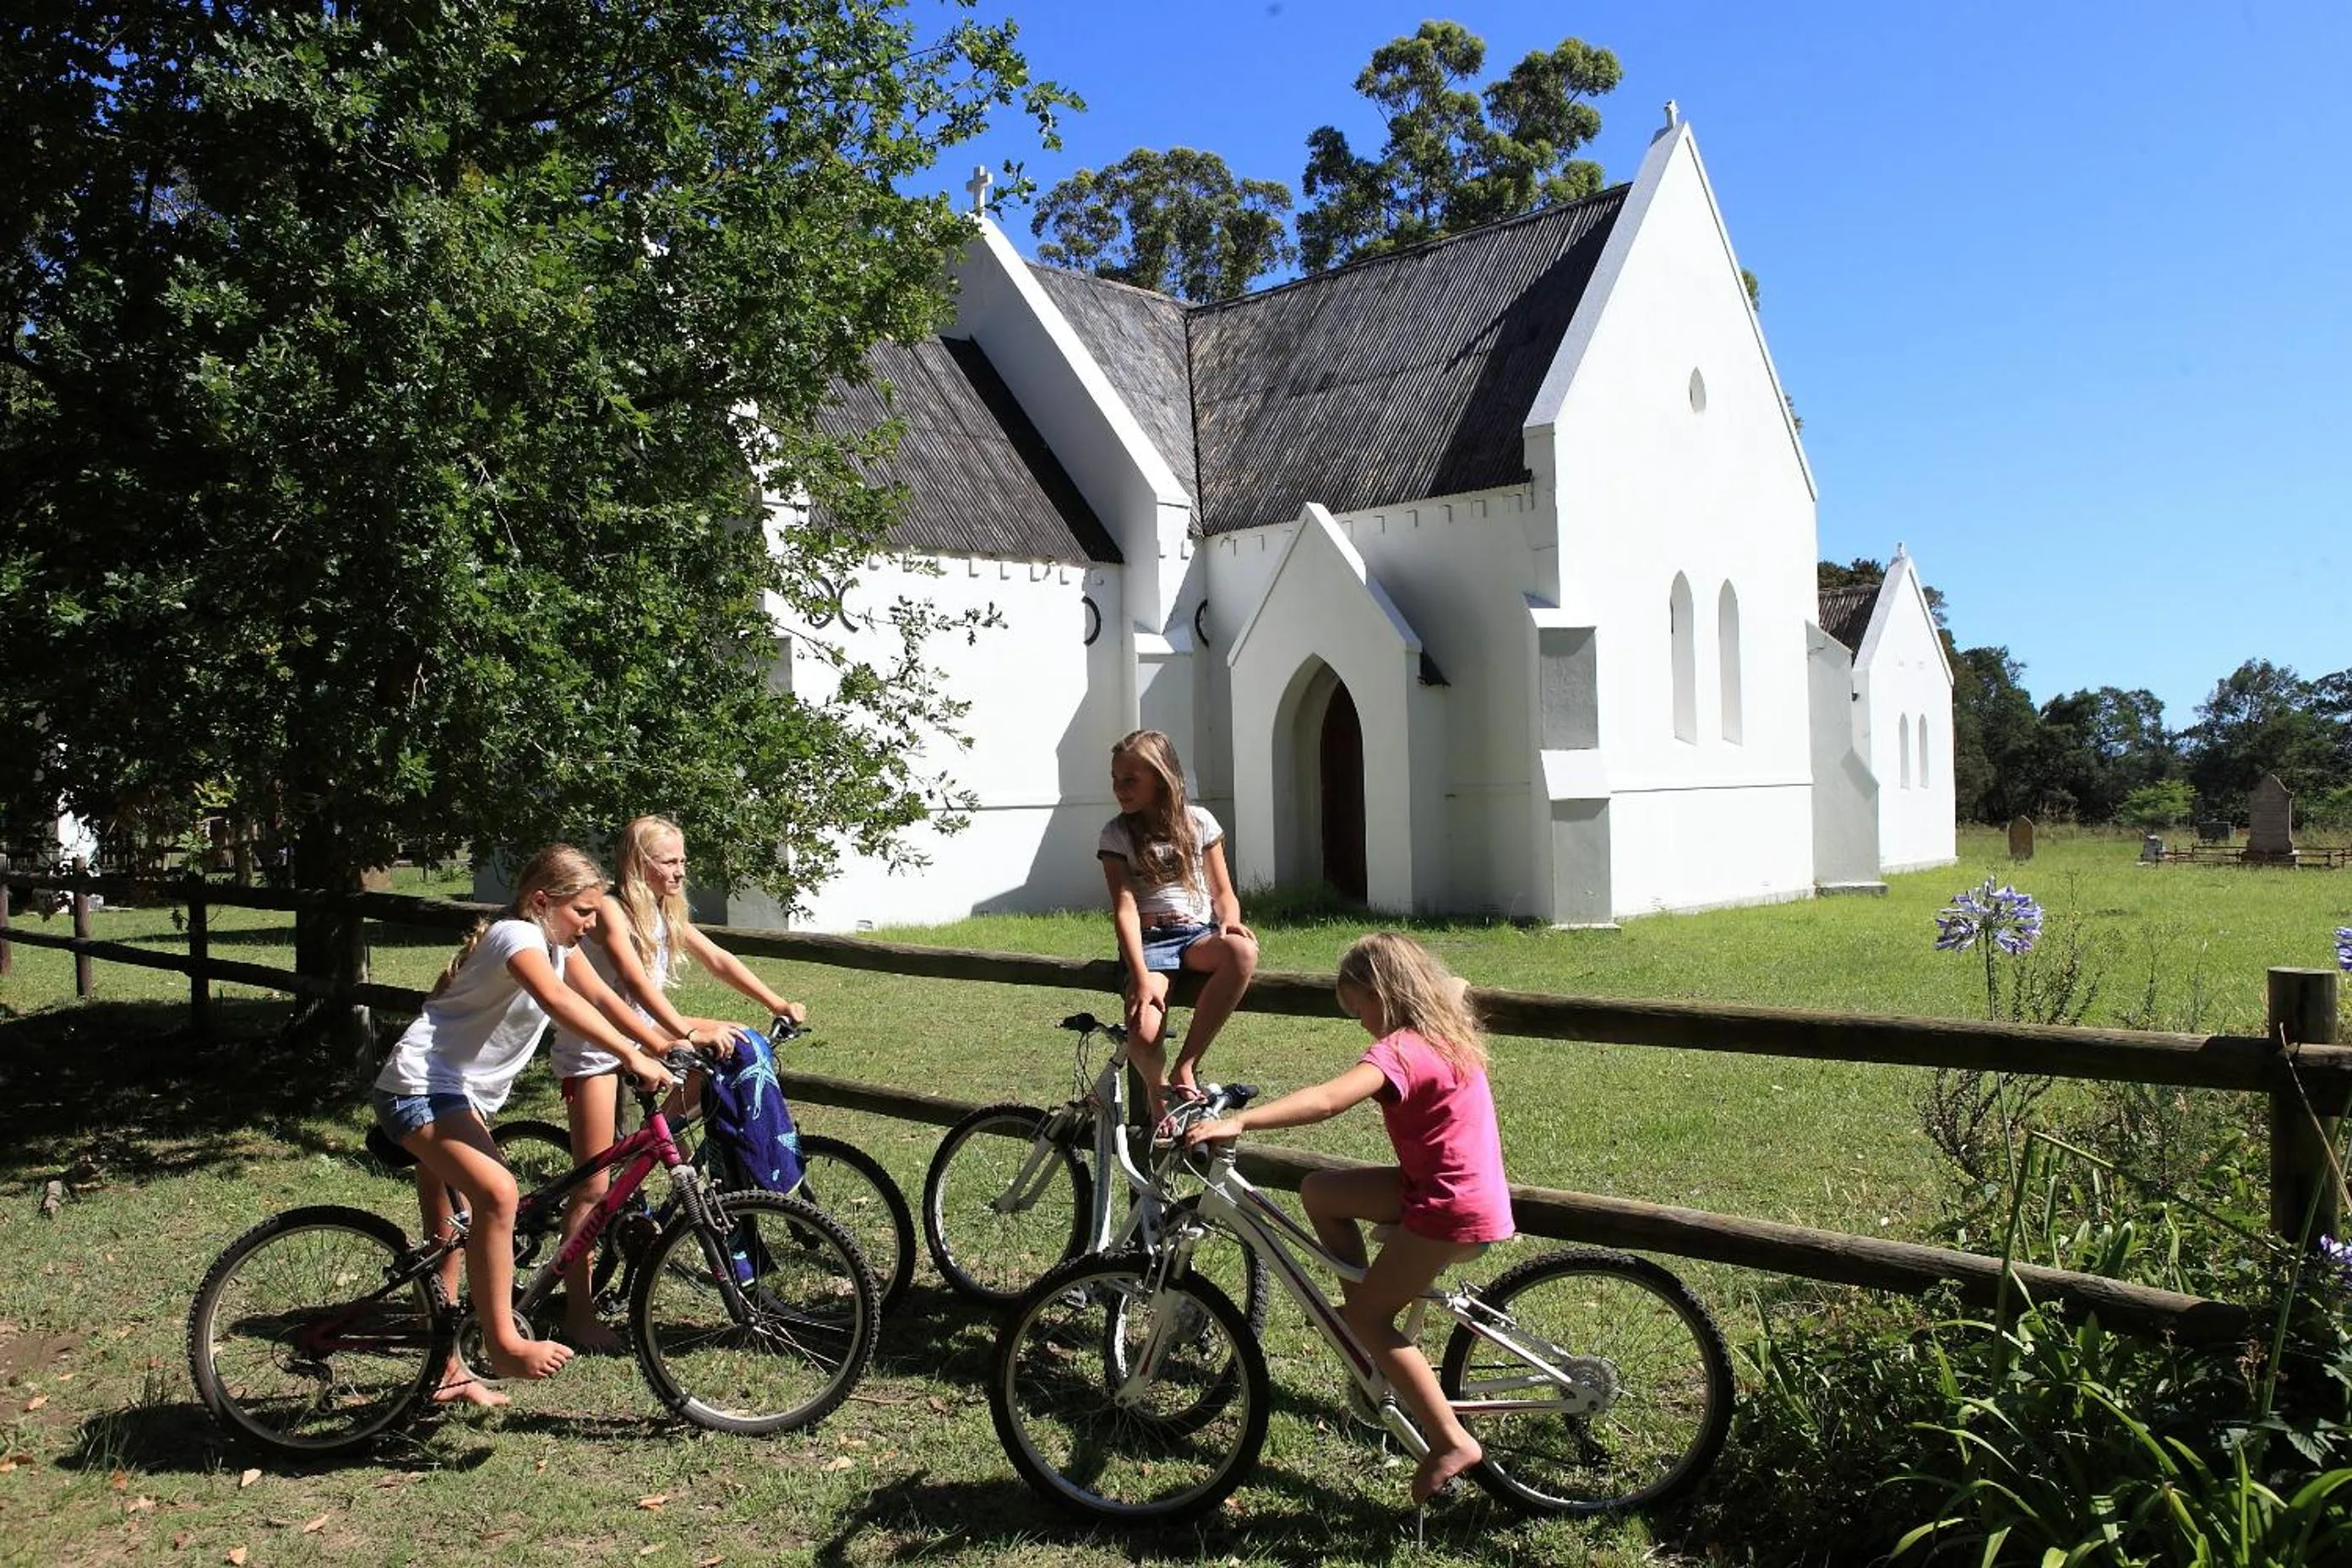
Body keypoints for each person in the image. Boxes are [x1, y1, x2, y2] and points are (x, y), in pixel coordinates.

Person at [1185, 932, 1512, 1504]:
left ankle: (1451, 1440)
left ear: (1385, 994)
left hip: (1447, 1205)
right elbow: (1453, 985)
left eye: (1361, 1010)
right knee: (1321, 1192)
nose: (1361, 1024)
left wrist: (1245, 1122)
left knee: (1370, 1317)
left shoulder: (1401, 1050)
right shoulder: (1447, 1023)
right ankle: (1364, 1333)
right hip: (1445, 1187)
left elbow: (1329, 1099)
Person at [373, 843, 683, 1405]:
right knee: (498, 1195)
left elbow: (603, 999)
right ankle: (502, 1344)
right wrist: (632, 1057)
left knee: (452, 1232)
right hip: (419, 1089)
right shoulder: (517, 937)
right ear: (542, 900)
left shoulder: (555, 945)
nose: (591, 925)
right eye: (583, 912)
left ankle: (443, 1369)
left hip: (455, 1098)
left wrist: (667, 1041)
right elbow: (559, 1000)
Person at [546, 814, 808, 1349]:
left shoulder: (664, 911)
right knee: (593, 1188)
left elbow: (717, 958)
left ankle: (649, 1186)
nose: (681, 871)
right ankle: (577, 1313)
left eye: (684, 860)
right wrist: (687, 1029)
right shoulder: (614, 910)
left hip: (644, 1038)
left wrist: (774, 1001)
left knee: (713, 1072)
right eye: (670, 861)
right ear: (640, 863)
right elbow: (636, 984)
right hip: (599, 1047)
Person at [1098, 729, 1258, 1125]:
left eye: (1130, 779)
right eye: (1116, 779)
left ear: (1161, 776)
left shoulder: (1199, 822)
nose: (1120, 788)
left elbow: (1223, 892)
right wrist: (1140, 977)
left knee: (1243, 952)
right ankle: (1157, 1096)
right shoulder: (1116, 834)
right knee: (1145, 1034)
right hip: (1149, 944)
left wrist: (1231, 921)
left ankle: (1186, 1065)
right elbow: (1126, 909)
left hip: (1196, 935)